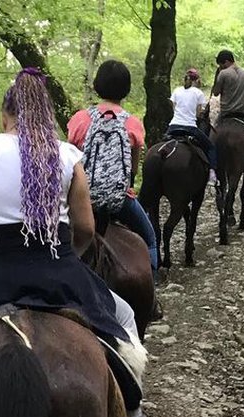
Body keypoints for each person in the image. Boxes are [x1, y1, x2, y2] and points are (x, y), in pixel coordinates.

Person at [0, 68, 161, 417]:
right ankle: (133, 415)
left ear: (4, 116)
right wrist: (66, 257)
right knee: (123, 316)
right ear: (45, 115)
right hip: (57, 274)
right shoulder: (67, 156)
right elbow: (85, 228)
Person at [67, 60, 160, 283]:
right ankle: (153, 294)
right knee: (150, 239)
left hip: (83, 198)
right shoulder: (133, 124)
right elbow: (133, 168)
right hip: (119, 201)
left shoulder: (80, 119)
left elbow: (70, 159)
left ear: (98, 85)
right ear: (126, 88)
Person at [167, 68, 217, 185]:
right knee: (210, 147)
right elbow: (198, 114)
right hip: (190, 127)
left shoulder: (177, 90)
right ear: (197, 80)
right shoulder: (198, 93)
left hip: (173, 126)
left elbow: (174, 108)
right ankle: (212, 173)